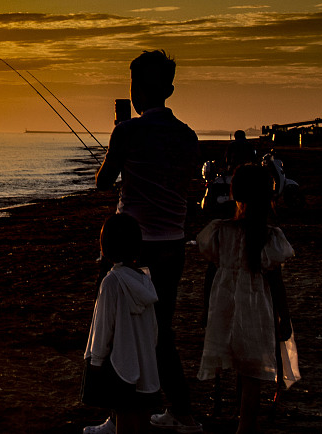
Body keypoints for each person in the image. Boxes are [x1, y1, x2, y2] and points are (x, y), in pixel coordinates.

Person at [94, 50, 202, 434]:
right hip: (172, 245)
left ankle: (117, 416)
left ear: (136, 89)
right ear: (169, 90)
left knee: (116, 329)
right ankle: (183, 414)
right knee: (161, 333)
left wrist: (119, 138)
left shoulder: (127, 132)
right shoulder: (187, 136)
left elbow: (103, 182)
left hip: (130, 248)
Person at [197, 164, 296, 434]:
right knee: (252, 370)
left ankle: (239, 418)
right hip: (256, 308)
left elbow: (211, 271)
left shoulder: (220, 231)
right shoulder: (268, 236)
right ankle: (246, 424)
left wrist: (207, 307)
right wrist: (283, 317)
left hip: (224, 306)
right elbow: (276, 283)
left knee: (236, 361)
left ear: (233, 192)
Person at [82, 214, 160, 434]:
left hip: (120, 363)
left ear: (105, 247)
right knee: (142, 415)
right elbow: (153, 327)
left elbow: (103, 325)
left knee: (124, 416)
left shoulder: (111, 282)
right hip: (145, 362)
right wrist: (150, 351)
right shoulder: (145, 280)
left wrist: (96, 359)